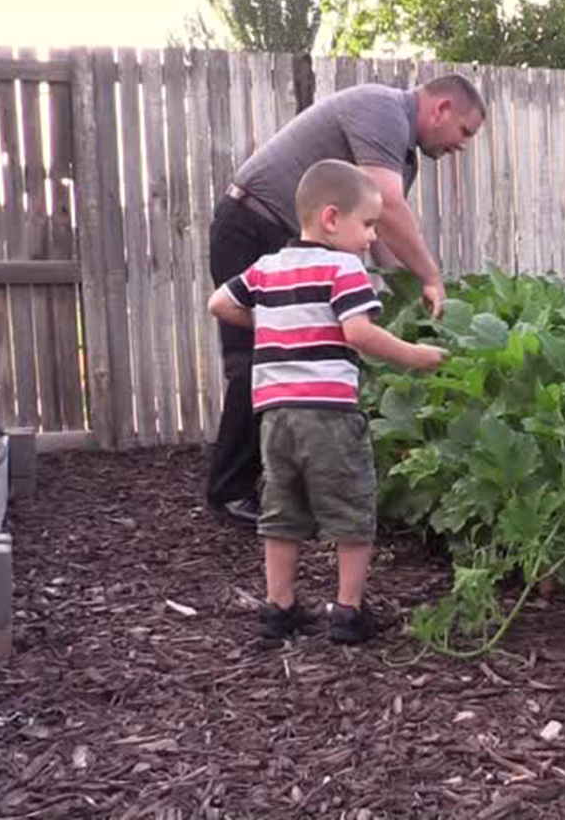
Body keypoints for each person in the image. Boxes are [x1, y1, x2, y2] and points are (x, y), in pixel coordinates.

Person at [207, 74, 486, 526]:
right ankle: (230, 493)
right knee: (255, 362)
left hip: (287, 239)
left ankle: (275, 486)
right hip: (252, 224)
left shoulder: (402, 153)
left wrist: (402, 302)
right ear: (441, 109)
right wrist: (430, 276)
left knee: (294, 358)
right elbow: (391, 209)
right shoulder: (382, 111)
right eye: (465, 131)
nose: (464, 145)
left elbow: (374, 231)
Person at [208, 159, 447, 644]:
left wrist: (276, 326)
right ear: (332, 218)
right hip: (329, 415)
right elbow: (358, 333)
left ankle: (280, 608)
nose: (371, 238)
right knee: (351, 511)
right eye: (368, 224)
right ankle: (347, 612)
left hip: (274, 416)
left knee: (282, 510)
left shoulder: (268, 267)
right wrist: (416, 357)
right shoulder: (344, 268)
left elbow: (219, 303)